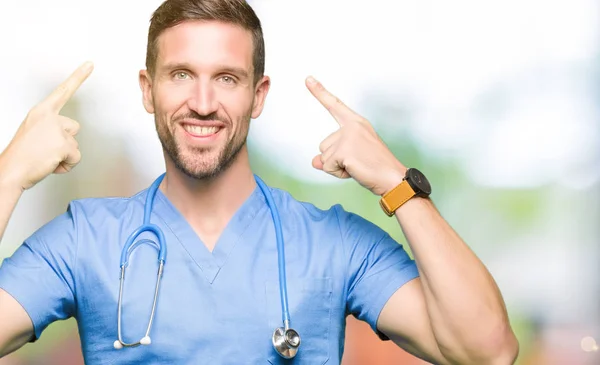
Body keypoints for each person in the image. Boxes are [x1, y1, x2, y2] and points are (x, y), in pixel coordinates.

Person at [0, 0, 519, 364]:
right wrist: (9, 173)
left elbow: (487, 349)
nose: (202, 102)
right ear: (148, 90)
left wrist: (395, 182)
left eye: (227, 78)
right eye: (181, 74)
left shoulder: (332, 244)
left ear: (259, 95)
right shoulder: (83, 240)